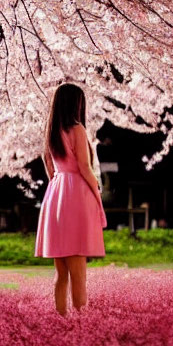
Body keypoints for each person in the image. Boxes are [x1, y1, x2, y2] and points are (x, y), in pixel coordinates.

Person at [35, 83, 106, 315]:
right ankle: (80, 323)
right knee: (79, 274)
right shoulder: (77, 130)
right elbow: (85, 167)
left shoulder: (51, 133)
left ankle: (61, 320)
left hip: (55, 197)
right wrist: (97, 190)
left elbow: (50, 171)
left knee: (61, 274)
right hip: (75, 196)